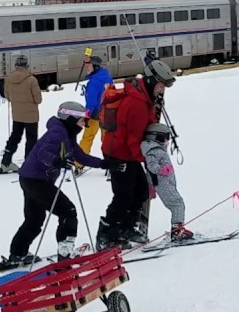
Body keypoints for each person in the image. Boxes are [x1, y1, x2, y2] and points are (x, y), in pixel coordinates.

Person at [0, 102, 107, 269]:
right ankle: (65, 255)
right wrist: (57, 161)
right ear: (70, 119)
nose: (84, 125)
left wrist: (105, 164)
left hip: (29, 178)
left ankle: (17, 254)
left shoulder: (67, 134)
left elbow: (81, 157)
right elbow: (44, 153)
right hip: (36, 180)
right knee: (68, 211)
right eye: (81, 121)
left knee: (34, 220)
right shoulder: (57, 133)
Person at [97, 59, 174, 250]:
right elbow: (133, 139)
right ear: (151, 81)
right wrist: (149, 161)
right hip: (118, 154)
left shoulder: (143, 99)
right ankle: (106, 234)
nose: (162, 89)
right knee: (123, 195)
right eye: (161, 85)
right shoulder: (137, 104)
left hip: (128, 153)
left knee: (140, 191)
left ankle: (127, 228)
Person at [141, 122, 191, 242]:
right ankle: (177, 231)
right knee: (177, 204)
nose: (168, 141)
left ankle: (177, 229)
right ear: (156, 137)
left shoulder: (156, 149)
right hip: (163, 184)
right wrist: (161, 170)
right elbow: (151, 165)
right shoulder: (153, 150)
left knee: (177, 204)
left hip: (165, 183)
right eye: (166, 137)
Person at [0, 54, 43, 174]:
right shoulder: (31, 80)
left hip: (17, 114)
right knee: (31, 140)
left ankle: (5, 162)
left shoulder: (8, 78)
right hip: (31, 116)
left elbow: (7, 96)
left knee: (14, 137)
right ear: (26, 65)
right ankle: (29, 164)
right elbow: (38, 99)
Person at [77, 55, 113, 167]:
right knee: (107, 139)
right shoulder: (107, 77)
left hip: (95, 114)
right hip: (109, 113)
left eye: (89, 65)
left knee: (87, 137)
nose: (87, 68)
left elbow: (91, 102)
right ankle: (112, 161)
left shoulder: (93, 82)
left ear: (95, 67)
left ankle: (79, 163)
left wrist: (86, 116)